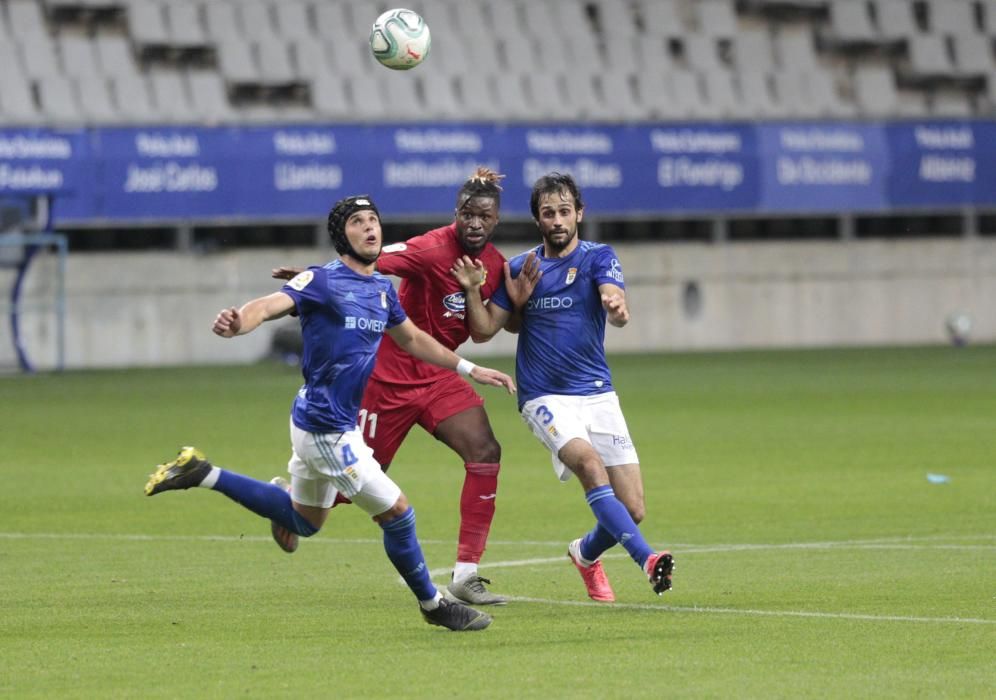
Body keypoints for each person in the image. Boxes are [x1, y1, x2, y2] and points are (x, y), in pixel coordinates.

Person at [144, 194, 517, 631]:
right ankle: (435, 605)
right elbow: (267, 306)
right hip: (326, 428)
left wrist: (470, 368)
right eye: (358, 222)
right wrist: (237, 323)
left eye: (374, 220)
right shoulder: (322, 281)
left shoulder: (380, 289)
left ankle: (201, 472)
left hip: (320, 423)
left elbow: (413, 339)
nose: (370, 228)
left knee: (304, 521)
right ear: (343, 235)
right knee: (398, 512)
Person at [272, 168, 517, 605]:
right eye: (467, 213)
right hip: (387, 380)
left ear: (497, 219)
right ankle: (290, 499)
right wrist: (317, 283)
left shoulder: (494, 265)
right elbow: (371, 259)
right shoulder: (429, 248)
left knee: (485, 451)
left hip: (440, 376)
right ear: (455, 213)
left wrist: (476, 295)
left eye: (485, 215)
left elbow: (481, 333)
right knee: (348, 491)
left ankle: (466, 574)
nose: (475, 223)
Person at [450, 172, 675, 603]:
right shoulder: (519, 268)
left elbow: (613, 296)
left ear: (579, 214)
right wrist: (478, 292)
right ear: (538, 219)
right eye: (548, 212)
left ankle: (585, 554)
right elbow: (482, 333)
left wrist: (617, 307)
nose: (557, 220)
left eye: (565, 211)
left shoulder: (597, 257)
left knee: (633, 510)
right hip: (543, 395)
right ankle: (647, 561)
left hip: (596, 392)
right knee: (589, 466)